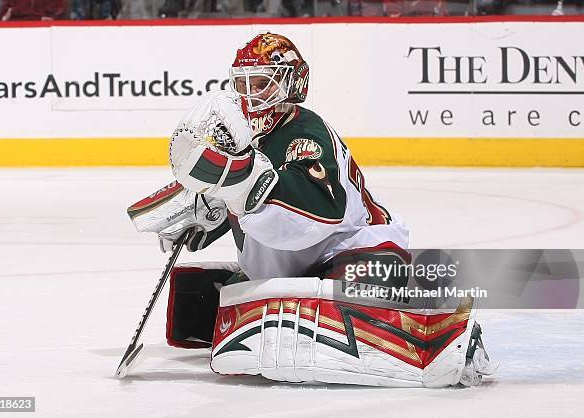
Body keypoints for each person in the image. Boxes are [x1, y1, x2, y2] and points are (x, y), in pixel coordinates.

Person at [131, 32, 495, 387]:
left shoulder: (306, 132)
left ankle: (435, 333)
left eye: (260, 84)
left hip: (357, 250)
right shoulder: (250, 136)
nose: (249, 95)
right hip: (301, 261)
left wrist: (237, 182)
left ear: (291, 84)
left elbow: (321, 210)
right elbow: (249, 201)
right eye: (243, 85)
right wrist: (205, 215)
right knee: (230, 298)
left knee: (345, 300)